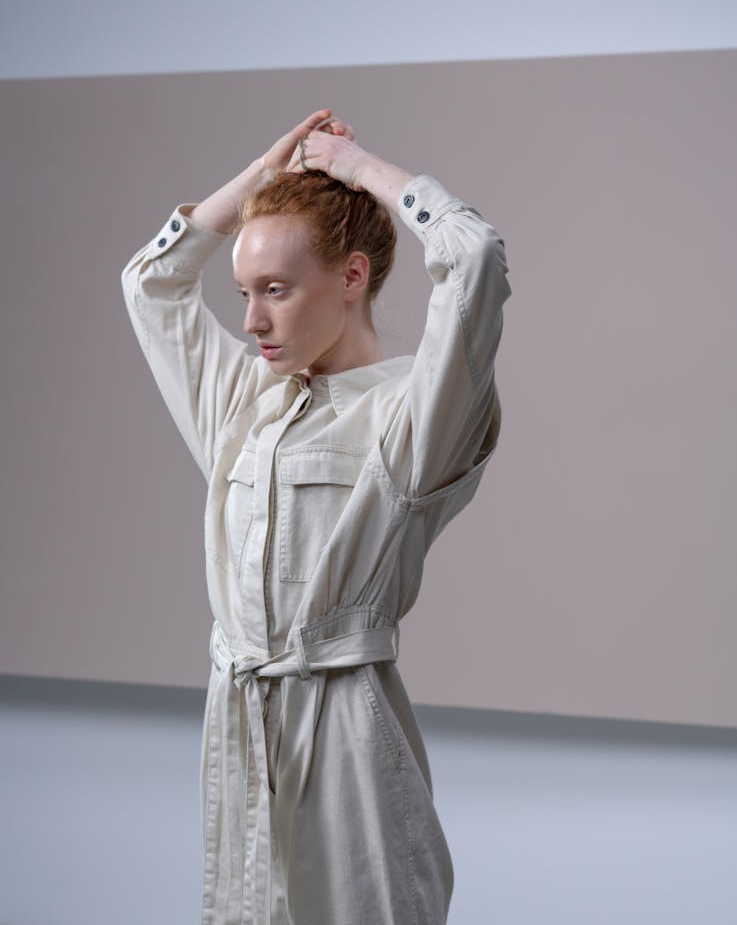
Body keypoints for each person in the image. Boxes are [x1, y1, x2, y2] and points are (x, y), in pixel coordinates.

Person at [120, 108, 511, 925]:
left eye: (276, 290)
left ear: (354, 276)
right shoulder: (243, 403)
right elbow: (150, 284)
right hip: (238, 723)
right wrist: (258, 188)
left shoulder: (411, 415)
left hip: (345, 734)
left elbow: (473, 257)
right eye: (243, 292)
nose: (252, 321)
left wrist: (358, 167)